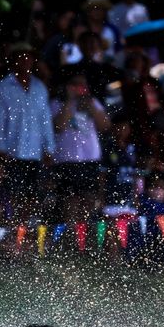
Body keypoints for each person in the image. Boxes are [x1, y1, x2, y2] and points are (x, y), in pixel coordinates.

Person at [0, 42, 55, 219]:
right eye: (21, 57)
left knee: (32, 195)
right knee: (11, 195)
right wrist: (0, 148)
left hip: (34, 152)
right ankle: (12, 230)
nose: (25, 61)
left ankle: (24, 230)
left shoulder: (39, 88)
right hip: (11, 152)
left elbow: (45, 120)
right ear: (13, 60)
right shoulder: (2, 88)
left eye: (28, 57)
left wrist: (49, 148)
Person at [50, 69, 109, 225]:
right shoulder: (57, 103)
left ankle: (86, 242)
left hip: (89, 162)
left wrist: (90, 106)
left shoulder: (92, 102)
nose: (80, 88)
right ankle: (69, 240)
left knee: (89, 204)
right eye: (75, 84)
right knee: (69, 206)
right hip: (66, 163)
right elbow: (59, 126)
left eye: (83, 85)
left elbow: (105, 126)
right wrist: (70, 101)